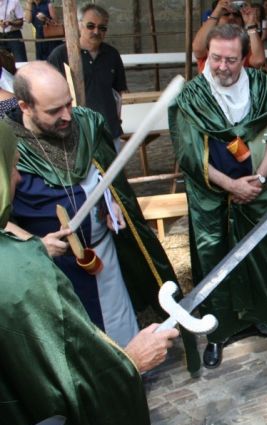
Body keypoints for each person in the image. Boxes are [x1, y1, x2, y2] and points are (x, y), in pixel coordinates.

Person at [0, 120, 180, 425]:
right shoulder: (22, 274)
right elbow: (65, 384)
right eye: (11, 165)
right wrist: (129, 362)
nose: (17, 177)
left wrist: (33, 246)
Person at [5, 61, 200, 374]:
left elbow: (108, 175)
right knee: (76, 353)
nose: (67, 115)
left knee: (119, 333)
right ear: (26, 106)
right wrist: (34, 244)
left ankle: (128, 383)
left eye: (69, 103)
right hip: (51, 270)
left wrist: (112, 205)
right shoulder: (7, 145)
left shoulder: (86, 124)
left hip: (102, 254)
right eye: (54, 110)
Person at [169, 24, 267, 370]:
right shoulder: (193, 95)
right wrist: (231, 185)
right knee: (215, 260)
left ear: (246, 58)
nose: (222, 67)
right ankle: (218, 332)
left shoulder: (262, 86)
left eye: (231, 60)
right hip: (212, 196)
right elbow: (189, 154)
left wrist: (262, 177)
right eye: (216, 58)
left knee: (265, 256)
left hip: (259, 189)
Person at [47, 4, 127, 151]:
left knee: (112, 173)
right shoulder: (60, 55)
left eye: (102, 28)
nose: (96, 31)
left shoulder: (112, 55)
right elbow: (48, 95)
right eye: (90, 26)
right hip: (75, 134)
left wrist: (116, 120)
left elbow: (118, 93)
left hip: (108, 131)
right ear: (79, 25)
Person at [192, 0, 265, 73]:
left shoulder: (245, 45)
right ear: (217, 18)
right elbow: (198, 49)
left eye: (236, 15)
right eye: (226, 14)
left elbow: (258, 61)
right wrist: (216, 11)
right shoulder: (208, 42)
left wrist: (251, 24)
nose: (232, 17)